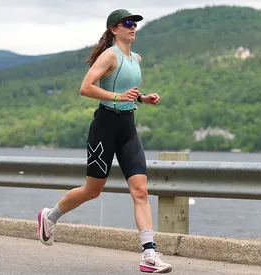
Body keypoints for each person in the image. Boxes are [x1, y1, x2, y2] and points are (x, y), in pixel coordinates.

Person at [37, 9, 173, 274]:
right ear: (114, 29)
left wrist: (141, 98)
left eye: (135, 24)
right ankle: (49, 216)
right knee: (92, 190)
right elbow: (85, 87)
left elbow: (126, 92)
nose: (133, 27)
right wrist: (116, 97)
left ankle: (149, 254)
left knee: (140, 190)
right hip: (104, 128)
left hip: (127, 128)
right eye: (128, 23)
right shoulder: (109, 55)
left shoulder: (135, 58)